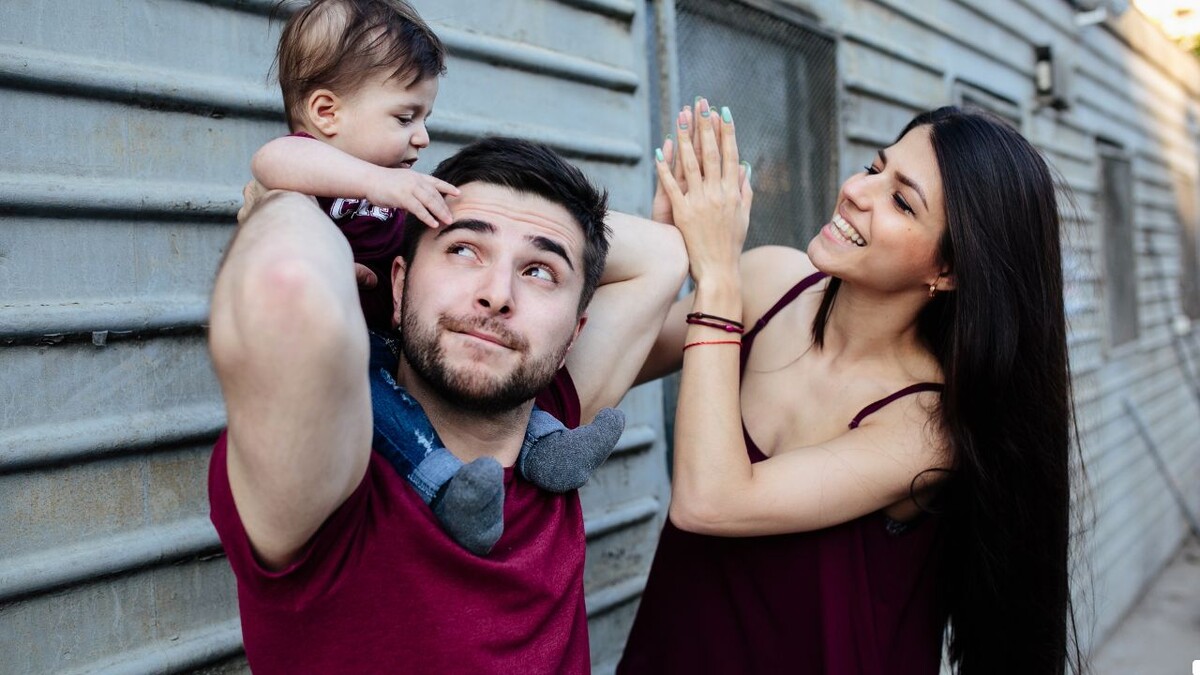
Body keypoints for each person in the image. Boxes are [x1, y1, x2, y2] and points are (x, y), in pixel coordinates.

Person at [619, 103, 1080, 674]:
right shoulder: (767, 282)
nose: (857, 191)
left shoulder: (926, 427)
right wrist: (667, 254)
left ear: (948, 271)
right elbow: (601, 370)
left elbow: (709, 502)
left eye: (901, 201)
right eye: (873, 168)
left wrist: (715, 278)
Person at [208, 136, 686, 672]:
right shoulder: (329, 474)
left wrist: (548, 224)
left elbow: (663, 255)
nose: (497, 294)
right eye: (463, 249)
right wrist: (292, 200)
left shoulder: (550, 416)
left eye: (539, 271)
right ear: (398, 286)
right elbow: (285, 287)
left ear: (574, 336)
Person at [254, 0, 625, 554]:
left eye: (424, 119)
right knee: (384, 405)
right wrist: (374, 193)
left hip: (395, 334)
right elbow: (272, 163)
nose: (423, 137)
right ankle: (444, 484)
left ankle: (546, 447)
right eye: (405, 118)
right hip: (345, 354)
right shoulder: (313, 167)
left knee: (505, 376)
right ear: (327, 113)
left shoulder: (389, 183)